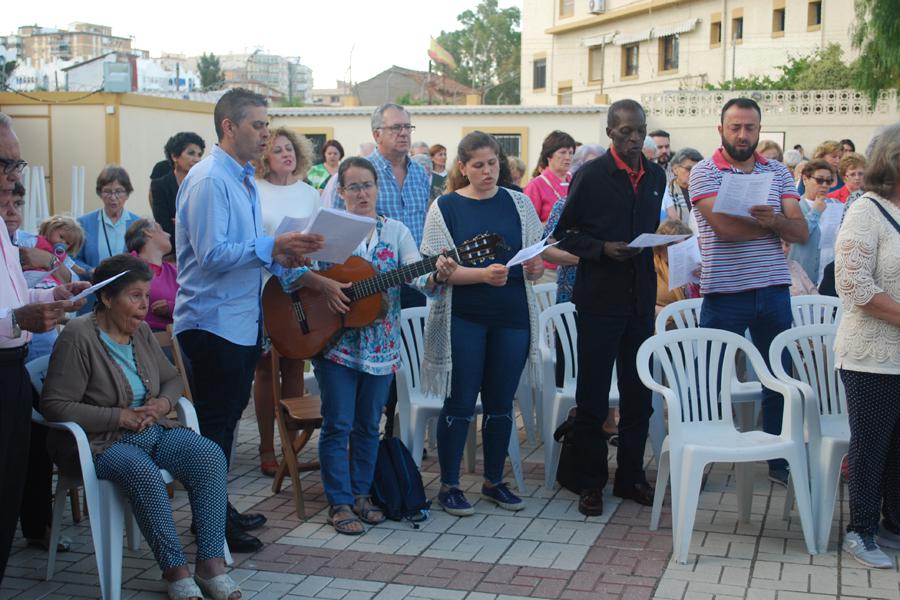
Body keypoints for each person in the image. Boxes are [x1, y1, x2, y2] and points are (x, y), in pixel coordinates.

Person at [174, 88, 324, 553]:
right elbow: (213, 255)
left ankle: (220, 512)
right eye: (257, 125)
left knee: (222, 429)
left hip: (237, 320)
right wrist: (271, 248)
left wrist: (287, 258)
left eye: (266, 124)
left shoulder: (239, 178)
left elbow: (250, 249)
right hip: (211, 323)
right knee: (216, 430)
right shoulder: (209, 179)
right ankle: (211, 527)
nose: (265, 133)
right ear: (228, 127)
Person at [41, 254, 240, 599]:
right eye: (134, 296)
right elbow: (54, 405)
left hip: (152, 429)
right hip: (101, 443)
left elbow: (173, 380)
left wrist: (162, 404)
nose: (144, 305)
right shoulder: (78, 336)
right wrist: (120, 417)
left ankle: (210, 564)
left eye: (146, 296)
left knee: (208, 455)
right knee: (143, 473)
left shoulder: (142, 331)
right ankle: (175, 570)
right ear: (105, 297)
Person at [298, 157, 455, 534]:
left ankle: (361, 495)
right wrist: (325, 288)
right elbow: (294, 273)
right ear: (340, 192)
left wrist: (437, 274)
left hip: (382, 347)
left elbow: (418, 276)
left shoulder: (396, 231)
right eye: (353, 187)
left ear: (377, 189)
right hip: (334, 343)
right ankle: (338, 502)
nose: (362, 193)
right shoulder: (326, 230)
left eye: (367, 185)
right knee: (338, 423)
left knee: (369, 424)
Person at [421, 131, 544, 516]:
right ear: (463, 168)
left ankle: (494, 480)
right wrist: (479, 276)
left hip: (513, 317)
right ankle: (450, 485)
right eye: (478, 165)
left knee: (501, 404)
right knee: (458, 403)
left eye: (493, 163)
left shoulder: (519, 203)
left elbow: (534, 255)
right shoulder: (446, 207)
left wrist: (536, 266)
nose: (488, 171)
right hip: (464, 318)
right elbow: (434, 272)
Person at [553, 99, 666, 516]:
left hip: (639, 298)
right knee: (594, 396)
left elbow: (649, 228)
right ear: (610, 133)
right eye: (625, 132)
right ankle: (590, 480)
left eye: (639, 130)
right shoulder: (591, 175)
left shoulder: (656, 174)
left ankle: (631, 475)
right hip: (600, 298)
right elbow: (565, 235)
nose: (634, 139)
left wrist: (665, 239)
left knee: (639, 396)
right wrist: (601, 249)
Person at [689, 97, 809, 486]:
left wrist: (774, 219)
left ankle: (778, 457)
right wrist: (776, 225)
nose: (743, 134)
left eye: (750, 127)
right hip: (726, 291)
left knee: (779, 375)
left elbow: (801, 231)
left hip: (774, 288)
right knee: (709, 378)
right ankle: (703, 454)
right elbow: (725, 229)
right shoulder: (704, 172)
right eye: (735, 127)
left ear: (760, 130)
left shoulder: (776, 172)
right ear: (721, 129)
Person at [0, 111, 90, 584]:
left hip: (14, 366)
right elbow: (9, 313)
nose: (15, 180)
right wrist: (17, 318)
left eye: (17, 166)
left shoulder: (3, 229)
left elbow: (13, 299)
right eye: (7, 165)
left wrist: (49, 297)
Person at [833, 124, 900, 569]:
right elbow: (853, 282)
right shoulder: (866, 211)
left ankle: (893, 523)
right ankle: (860, 531)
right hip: (871, 353)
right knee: (872, 443)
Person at [252, 126, 322, 477]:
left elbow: (318, 236)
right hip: (264, 285)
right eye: (277, 149)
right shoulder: (254, 190)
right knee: (266, 368)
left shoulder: (310, 193)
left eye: (290, 148)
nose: (286, 154)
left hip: (300, 284)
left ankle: (291, 446)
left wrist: (308, 253)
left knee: (295, 363)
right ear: (264, 157)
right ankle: (266, 445)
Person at [367, 103, 430, 309]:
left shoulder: (420, 173)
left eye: (407, 127)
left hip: (416, 278)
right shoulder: (363, 172)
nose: (403, 133)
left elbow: (425, 221)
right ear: (377, 135)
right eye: (396, 128)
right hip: (375, 282)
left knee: (415, 339)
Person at [75, 165, 141, 281]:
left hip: (127, 288)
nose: (113, 197)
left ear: (127, 194)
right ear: (100, 193)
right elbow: (74, 258)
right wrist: (89, 270)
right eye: (107, 191)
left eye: (119, 191)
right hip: (93, 288)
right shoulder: (84, 223)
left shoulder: (138, 224)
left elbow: (144, 258)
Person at [787, 159, 842, 284]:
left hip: (829, 278)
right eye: (819, 180)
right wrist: (815, 212)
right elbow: (797, 236)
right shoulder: (794, 206)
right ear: (805, 179)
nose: (824, 185)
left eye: (829, 181)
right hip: (803, 279)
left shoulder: (836, 206)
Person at [150, 132, 205, 258]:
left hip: (201, 252)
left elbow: (209, 225)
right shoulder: (160, 185)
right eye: (191, 153)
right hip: (173, 254)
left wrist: (180, 222)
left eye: (199, 155)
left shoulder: (204, 184)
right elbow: (164, 225)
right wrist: (193, 222)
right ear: (174, 156)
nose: (197, 159)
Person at [126, 219, 178, 332]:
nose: (168, 234)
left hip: (172, 339)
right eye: (162, 230)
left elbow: (193, 305)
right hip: (136, 338)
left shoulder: (174, 271)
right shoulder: (127, 266)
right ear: (148, 232)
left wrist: (172, 307)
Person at [524, 130, 575, 224]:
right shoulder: (535, 186)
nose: (568, 157)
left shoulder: (576, 180)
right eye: (563, 152)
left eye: (571, 153)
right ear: (549, 155)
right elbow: (529, 225)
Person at [654, 219, 699, 316]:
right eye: (672, 246)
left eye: (684, 246)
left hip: (696, 319)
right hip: (667, 323)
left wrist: (703, 279)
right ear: (660, 249)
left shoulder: (696, 264)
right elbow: (646, 305)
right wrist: (676, 314)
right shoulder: (653, 268)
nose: (680, 252)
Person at [28, 216, 86, 286]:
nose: (62, 242)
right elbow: (23, 248)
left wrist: (80, 270)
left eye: (67, 243)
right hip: (32, 273)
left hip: (50, 279)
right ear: (51, 228)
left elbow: (70, 264)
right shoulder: (37, 241)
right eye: (61, 237)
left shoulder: (60, 253)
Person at [662, 148, 703, 223]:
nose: (693, 173)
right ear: (675, 169)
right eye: (689, 169)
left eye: (697, 169)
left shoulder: (705, 191)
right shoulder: (666, 193)